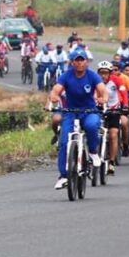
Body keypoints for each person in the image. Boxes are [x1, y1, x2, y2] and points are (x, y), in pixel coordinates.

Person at [49, 49, 108, 190]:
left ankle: (93, 153)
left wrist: (103, 98)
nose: (80, 63)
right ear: (72, 62)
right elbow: (56, 89)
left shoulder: (92, 76)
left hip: (89, 111)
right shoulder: (66, 76)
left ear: (86, 62)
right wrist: (54, 96)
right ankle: (64, 176)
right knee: (64, 142)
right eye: (77, 60)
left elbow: (103, 90)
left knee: (92, 126)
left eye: (82, 60)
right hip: (70, 112)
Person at [95, 60, 129, 175]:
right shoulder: (95, 81)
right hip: (99, 109)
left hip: (113, 109)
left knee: (113, 134)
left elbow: (123, 93)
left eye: (105, 72)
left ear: (110, 73)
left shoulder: (117, 80)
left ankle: (111, 162)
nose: (103, 75)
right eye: (101, 73)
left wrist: (125, 106)